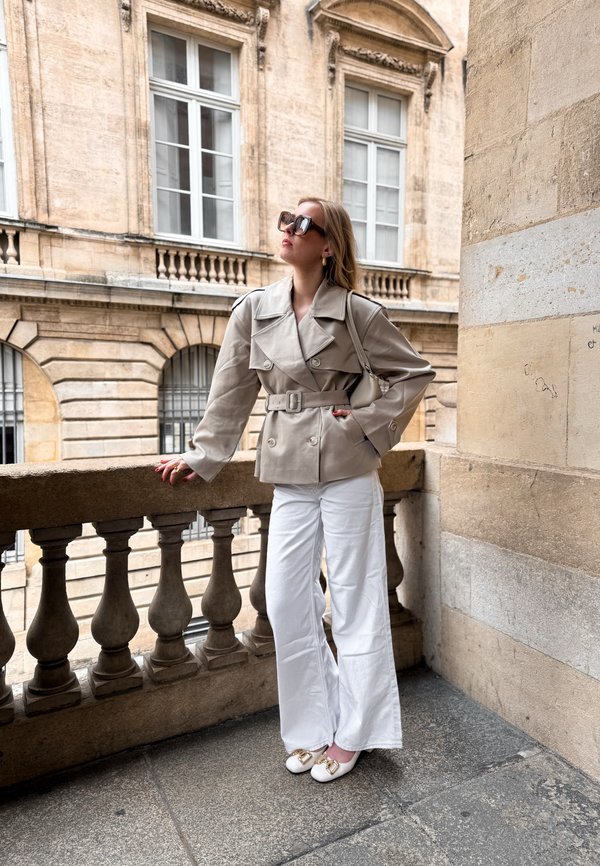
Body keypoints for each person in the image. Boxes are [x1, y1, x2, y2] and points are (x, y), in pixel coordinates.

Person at [156, 198, 435, 782]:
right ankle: (312, 727)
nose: (288, 229)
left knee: (355, 600)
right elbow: (231, 390)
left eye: (303, 224)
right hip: (288, 468)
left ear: (328, 244)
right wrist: (202, 455)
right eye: (286, 219)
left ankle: (353, 733)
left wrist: (361, 422)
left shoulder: (358, 314)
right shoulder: (254, 311)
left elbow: (414, 374)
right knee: (285, 601)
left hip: (347, 465)